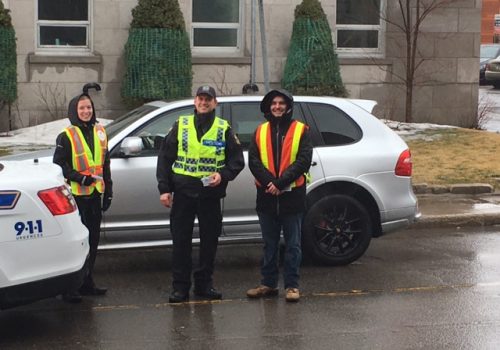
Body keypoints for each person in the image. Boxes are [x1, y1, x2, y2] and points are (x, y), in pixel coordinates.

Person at [157, 85, 244, 303]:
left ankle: (204, 285)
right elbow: (165, 158)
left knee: (209, 242)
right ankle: (180, 288)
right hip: (183, 193)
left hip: (209, 195)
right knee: (181, 241)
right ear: (195, 101)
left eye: (208, 99)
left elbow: (237, 161)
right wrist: (164, 189)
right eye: (200, 98)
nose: (203, 102)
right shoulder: (181, 125)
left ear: (215, 103)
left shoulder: (223, 128)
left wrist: (223, 175)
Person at [246, 89, 312, 302]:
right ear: (268, 106)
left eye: (281, 103)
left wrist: (280, 183)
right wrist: (270, 183)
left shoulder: (301, 130)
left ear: (288, 106)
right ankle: (268, 284)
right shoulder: (260, 131)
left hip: (291, 197)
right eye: (273, 103)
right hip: (266, 197)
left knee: (293, 244)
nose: (277, 106)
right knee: (269, 244)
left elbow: (303, 161)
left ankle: (292, 286)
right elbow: (253, 161)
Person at [53, 92, 112, 303]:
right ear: (74, 111)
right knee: (76, 243)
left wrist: (109, 191)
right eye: (82, 108)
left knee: (92, 241)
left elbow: (105, 164)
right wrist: (81, 178)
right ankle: (70, 288)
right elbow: (59, 164)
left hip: (95, 195)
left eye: (89, 108)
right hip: (75, 197)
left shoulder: (100, 131)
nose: (86, 112)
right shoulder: (66, 135)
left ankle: (88, 282)